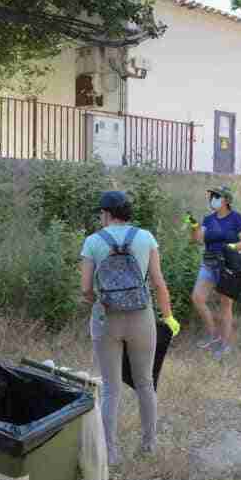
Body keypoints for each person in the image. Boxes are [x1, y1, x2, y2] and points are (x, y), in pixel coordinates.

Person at [80, 191, 180, 465]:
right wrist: (168, 317)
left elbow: (86, 288)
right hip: (141, 317)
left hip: (107, 318)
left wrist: (96, 301)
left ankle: (110, 454)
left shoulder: (93, 242)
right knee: (145, 383)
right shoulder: (145, 238)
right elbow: (158, 283)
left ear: (107, 213)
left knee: (111, 388)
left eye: (101, 213)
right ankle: (149, 446)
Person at [187, 185, 241, 359]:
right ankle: (213, 334)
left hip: (228, 266)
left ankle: (225, 344)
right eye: (212, 196)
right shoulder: (208, 219)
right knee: (197, 298)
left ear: (226, 200)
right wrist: (194, 226)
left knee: (225, 306)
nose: (212, 198)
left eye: (216, 196)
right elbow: (198, 240)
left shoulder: (237, 218)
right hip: (209, 264)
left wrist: (230, 246)